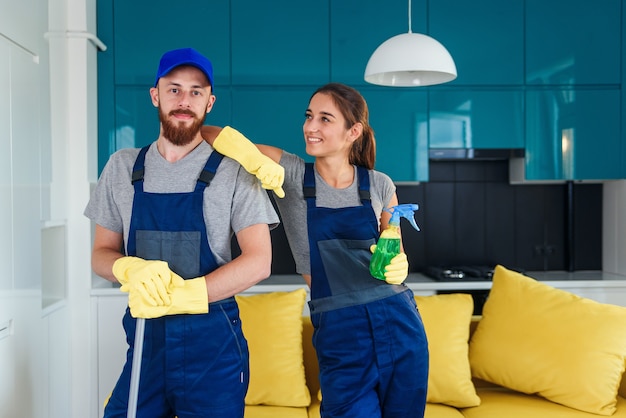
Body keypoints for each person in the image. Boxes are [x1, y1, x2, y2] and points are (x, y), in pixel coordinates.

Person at [203, 83, 429, 418]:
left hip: (399, 322)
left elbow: (392, 246)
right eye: (309, 116)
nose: (310, 127)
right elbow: (207, 132)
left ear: (353, 131)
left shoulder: (380, 184)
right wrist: (251, 157)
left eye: (325, 119)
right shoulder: (292, 174)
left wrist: (399, 261)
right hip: (340, 330)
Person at [84, 47, 280, 418]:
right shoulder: (122, 167)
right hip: (146, 341)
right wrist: (129, 269)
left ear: (210, 102)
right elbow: (101, 253)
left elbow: (259, 261)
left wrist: (186, 295)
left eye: (195, 91)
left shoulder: (234, 171)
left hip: (213, 349)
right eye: (174, 89)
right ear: (155, 95)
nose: (184, 101)